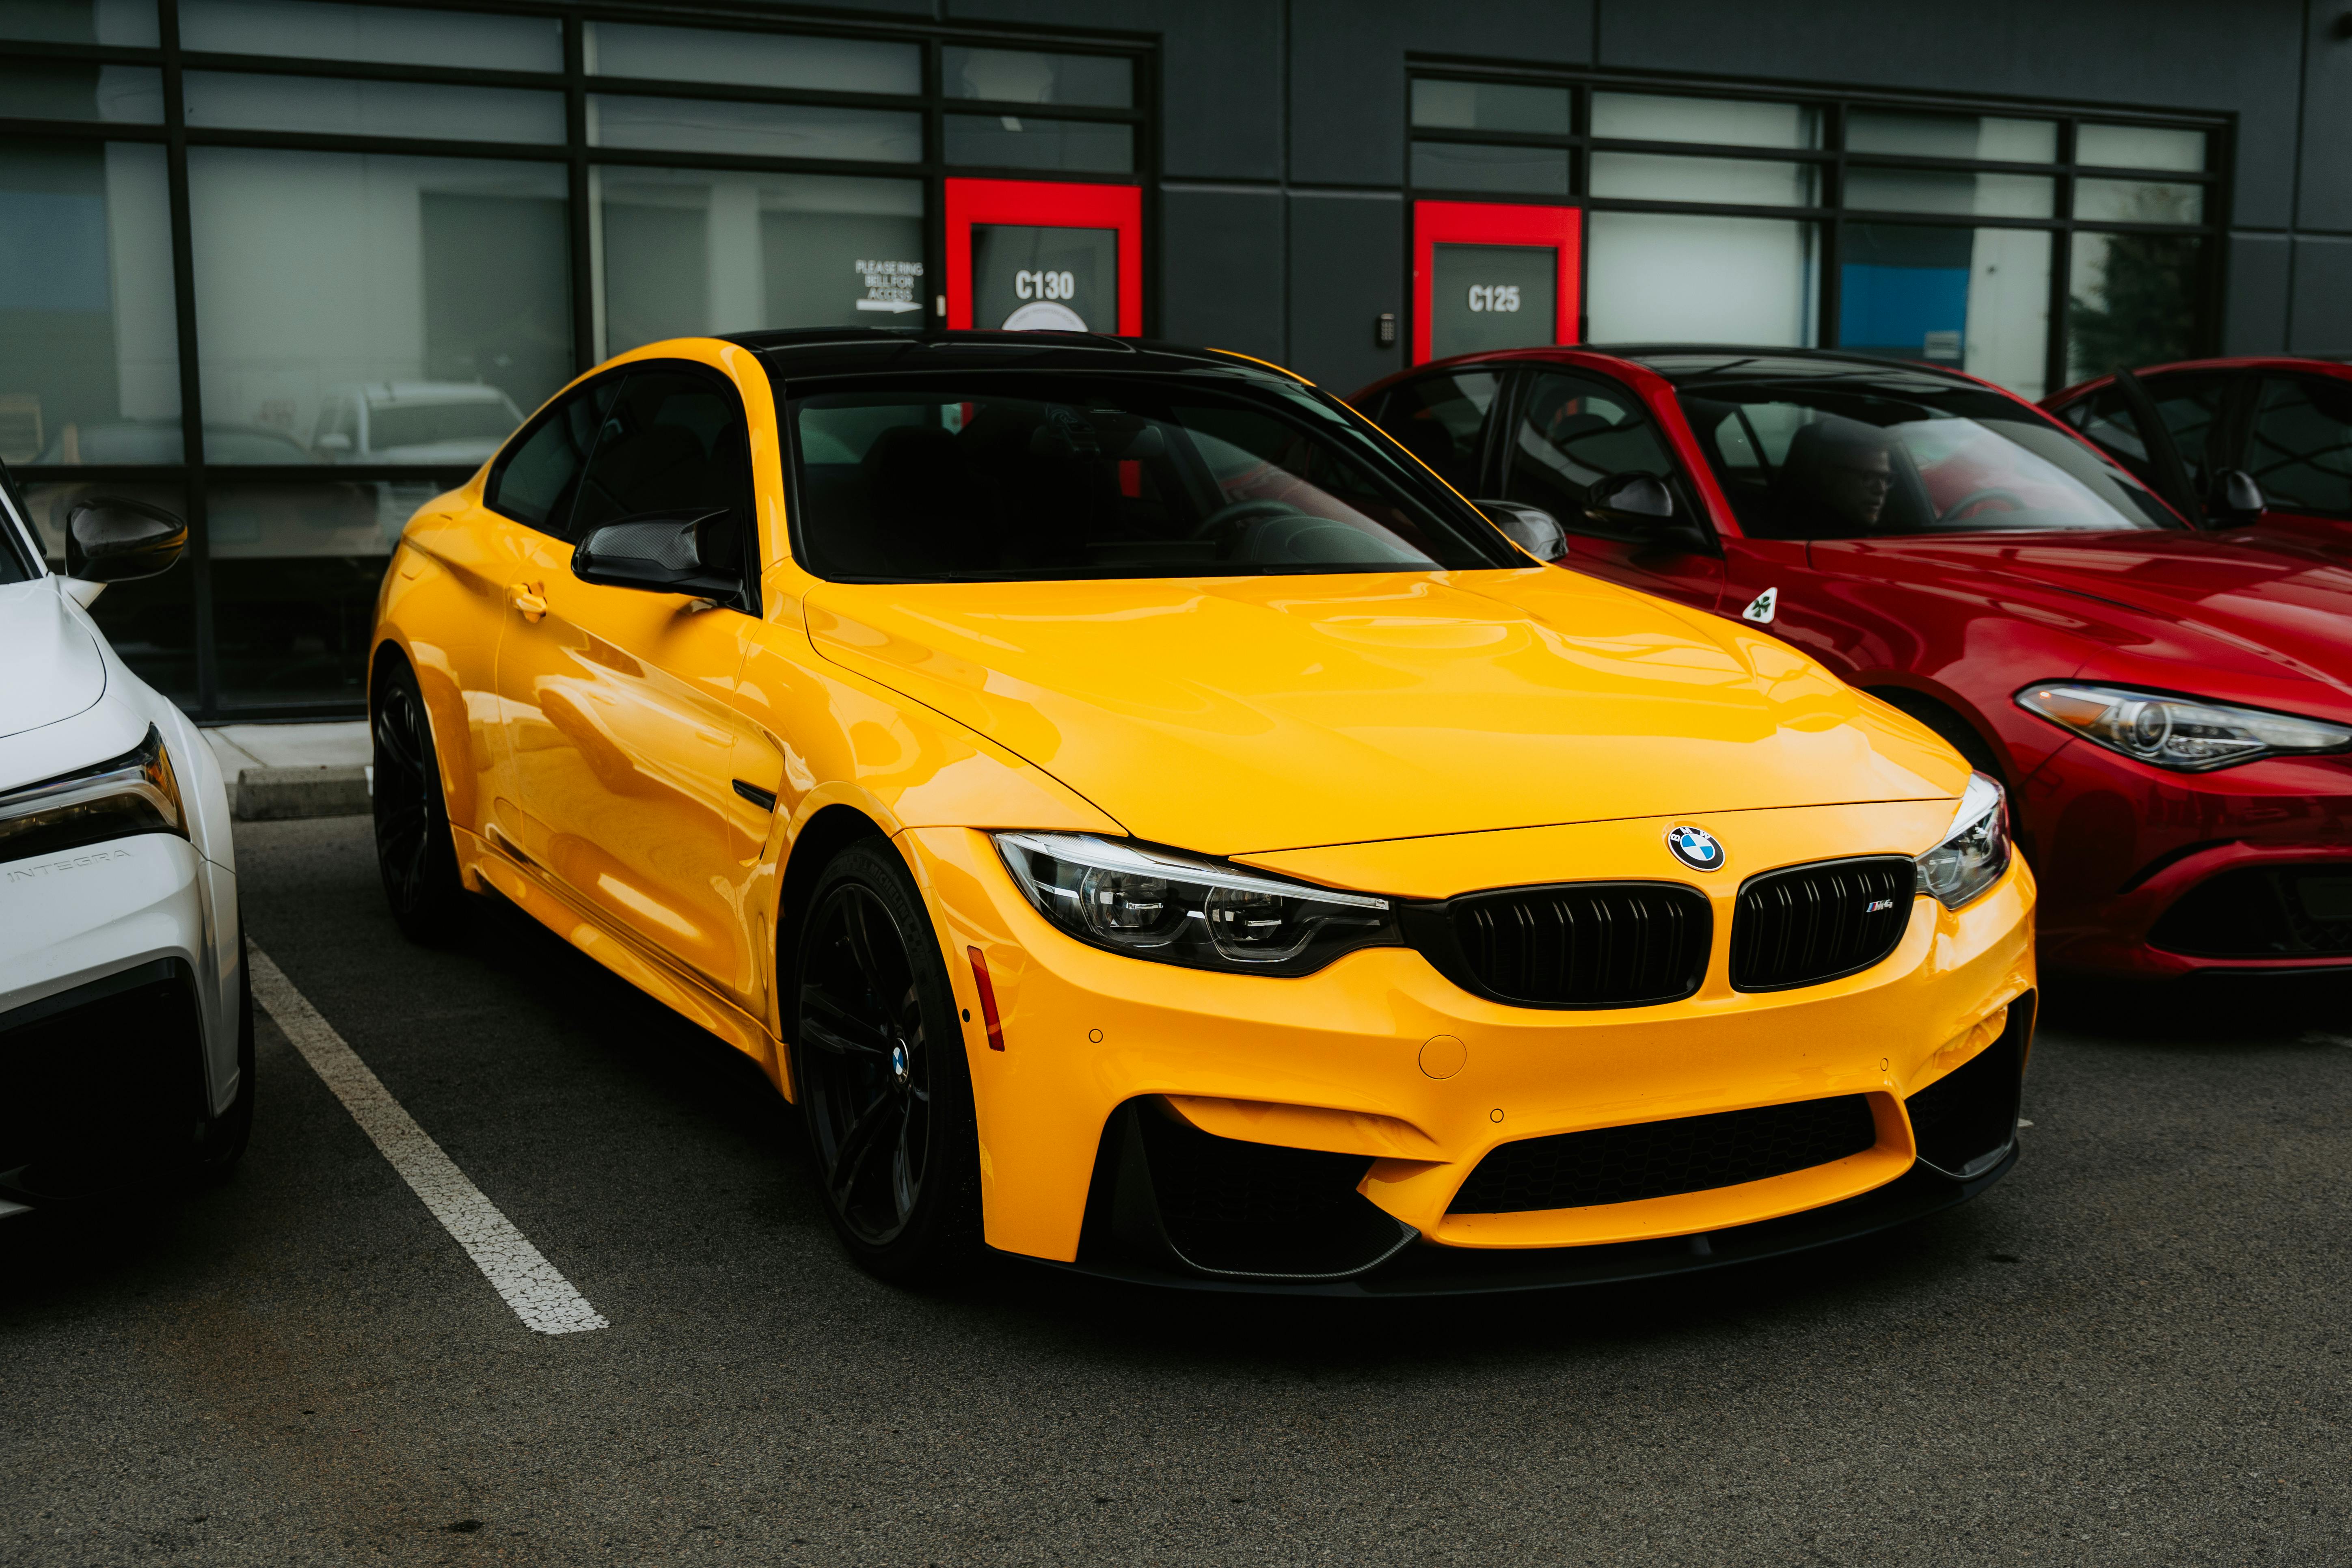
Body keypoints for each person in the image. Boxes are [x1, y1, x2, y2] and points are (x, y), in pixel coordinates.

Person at [1775, 416, 1900, 534]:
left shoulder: (1890, 531)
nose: (1881, 489)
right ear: (1828, 475)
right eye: (1869, 477)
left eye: (1886, 478)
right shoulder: (1793, 532)